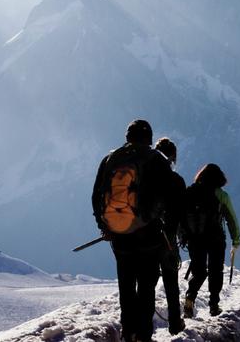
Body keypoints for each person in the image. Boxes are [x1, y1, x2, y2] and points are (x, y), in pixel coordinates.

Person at [91, 119, 171, 342]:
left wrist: (105, 225)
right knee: (146, 286)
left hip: (118, 235)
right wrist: (151, 217)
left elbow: (97, 195)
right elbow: (170, 195)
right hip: (149, 235)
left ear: (127, 136)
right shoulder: (156, 159)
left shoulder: (110, 159)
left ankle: (128, 331)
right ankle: (143, 335)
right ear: (149, 138)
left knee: (126, 285)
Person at [181, 163, 240, 318]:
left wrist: (183, 236)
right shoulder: (221, 195)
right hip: (216, 238)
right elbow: (231, 219)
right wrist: (236, 240)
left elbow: (180, 216)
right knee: (216, 271)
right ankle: (214, 305)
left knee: (199, 271)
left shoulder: (189, 192)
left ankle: (190, 298)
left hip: (195, 239)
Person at [153, 137, 187, 335]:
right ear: (172, 157)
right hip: (167, 237)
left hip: (142, 236)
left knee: (145, 283)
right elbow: (182, 212)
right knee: (170, 282)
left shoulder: (142, 178)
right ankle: (175, 322)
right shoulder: (176, 181)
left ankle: (141, 332)